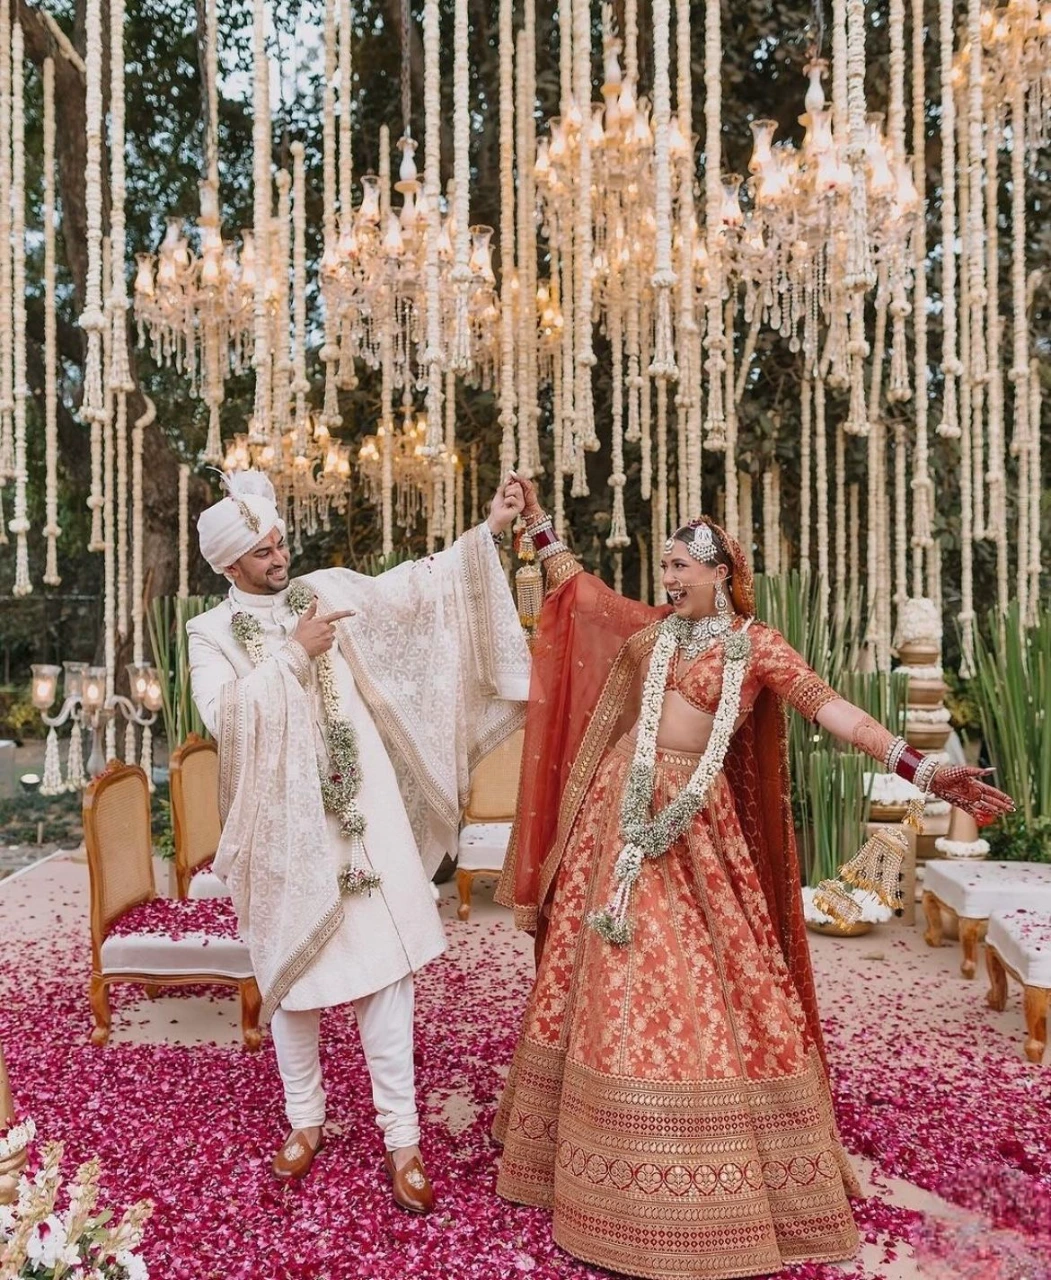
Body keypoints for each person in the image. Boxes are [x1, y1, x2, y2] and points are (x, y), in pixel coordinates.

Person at [494, 485, 1012, 1279]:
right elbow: (581, 594)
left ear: (718, 571)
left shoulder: (753, 645)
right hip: (616, 812)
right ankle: (589, 1163)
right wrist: (534, 524)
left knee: (694, 981)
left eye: (678, 565)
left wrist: (924, 769)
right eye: (662, 564)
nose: (666, 577)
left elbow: (830, 708)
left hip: (694, 831)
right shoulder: (654, 634)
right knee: (604, 972)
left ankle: (696, 1170)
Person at [187, 469, 530, 1212]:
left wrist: (491, 528)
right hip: (283, 833)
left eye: (279, 543)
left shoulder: (322, 591)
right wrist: (294, 656)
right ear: (228, 565)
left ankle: (401, 1137)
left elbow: (415, 588)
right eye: (262, 551)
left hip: (360, 822)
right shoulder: (210, 635)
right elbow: (223, 719)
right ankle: (304, 1121)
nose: (279, 558)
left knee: (385, 974)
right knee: (293, 984)